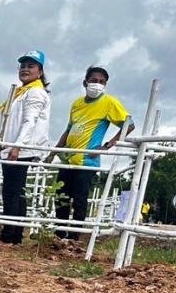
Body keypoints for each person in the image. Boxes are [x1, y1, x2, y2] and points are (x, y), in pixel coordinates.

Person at [52, 66, 133, 237]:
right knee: (61, 197)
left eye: (102, 82)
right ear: (85, 82)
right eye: (94, 81)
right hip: (68, 158)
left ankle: (74, 237)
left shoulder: (109, 102)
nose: (97, 84)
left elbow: (129, 124)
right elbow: (68, 129)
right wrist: (53, 153)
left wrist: (107, 145)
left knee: (79, 199)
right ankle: (59, 235)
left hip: (87, 160)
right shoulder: (77, 104)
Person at [0, 50, 52, 245]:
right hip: (13, 147)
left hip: (22, 148)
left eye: (31, 66)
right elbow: (9, 124)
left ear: (40, 71)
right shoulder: (21, 93)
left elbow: (30, 121)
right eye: (23, 66)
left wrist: (17, 147)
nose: (25, 69)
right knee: (14, 190)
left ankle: (11, 234)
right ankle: (13, 234)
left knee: (12, 191)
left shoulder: (36, 92)